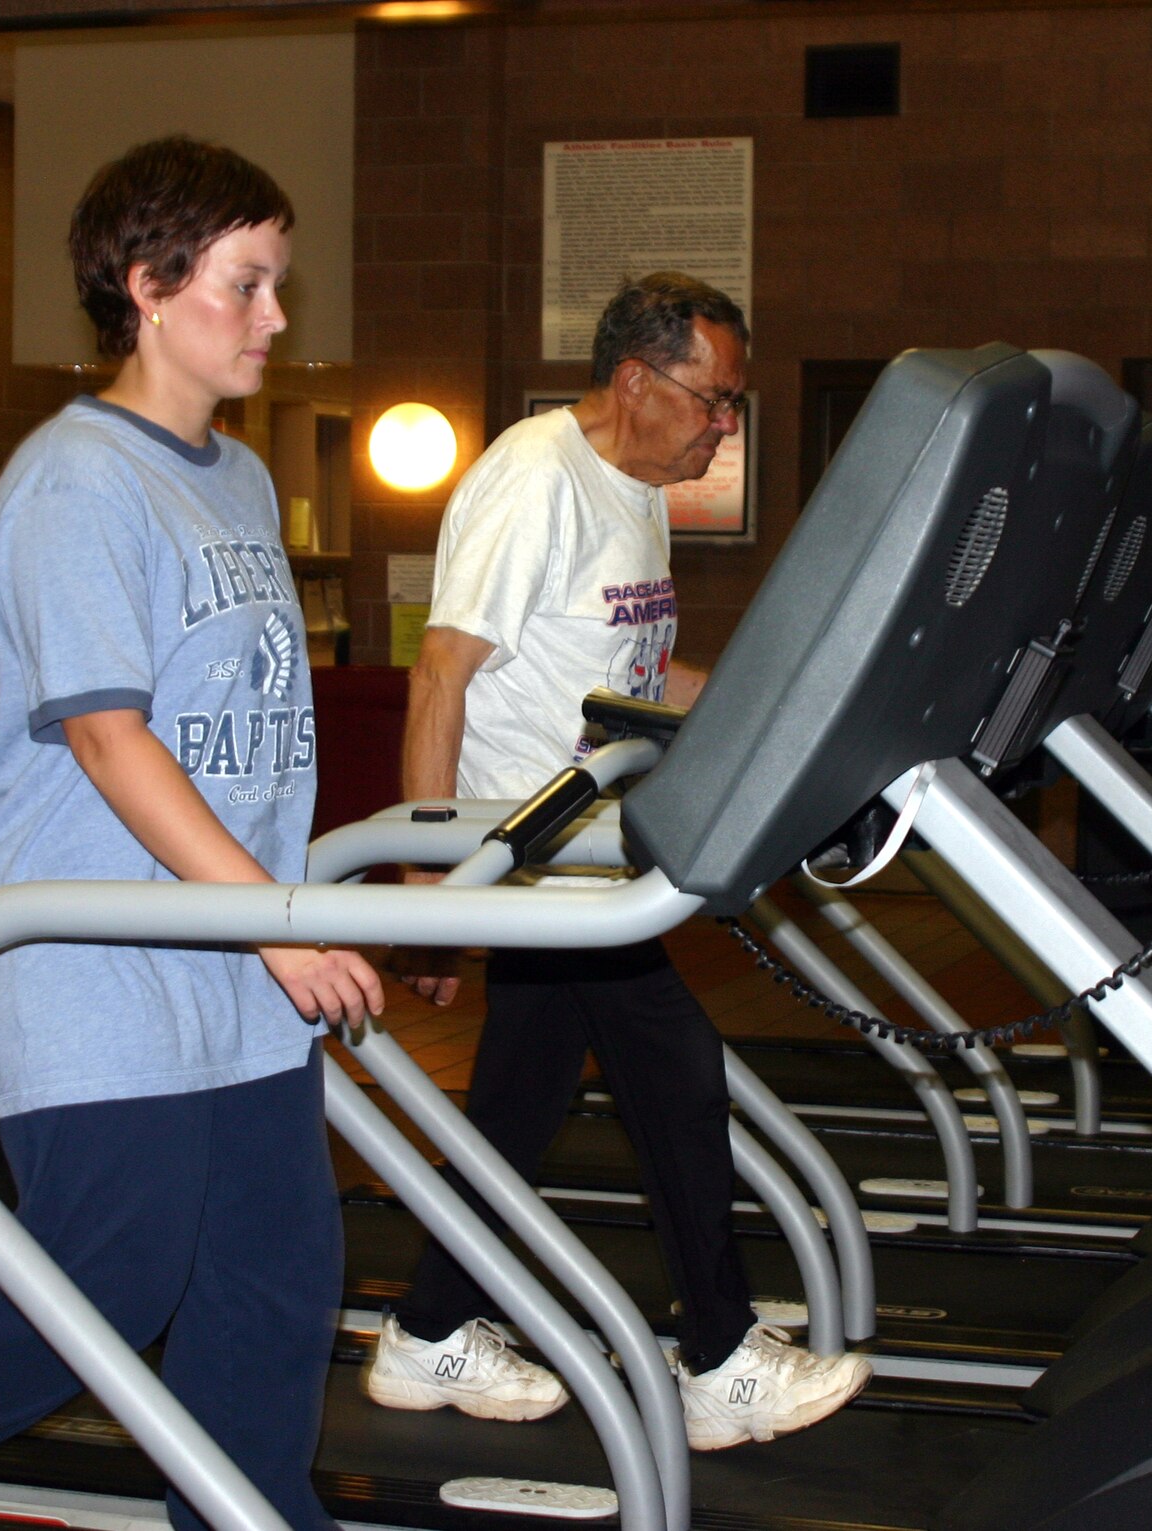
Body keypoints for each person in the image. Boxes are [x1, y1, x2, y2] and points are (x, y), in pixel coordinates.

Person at [0, 137, 384, 1531]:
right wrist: (283, 924)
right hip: (95, 946)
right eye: (249, 282)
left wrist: (275, 910)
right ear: (148, 285)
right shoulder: (74, 481)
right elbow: (113, 739)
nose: (278, 315)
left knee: (275, 1271)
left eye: (278, 281)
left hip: (224, 940)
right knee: (111, 1267)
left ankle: (249, 1513)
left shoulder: (227, 477)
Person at [363, 272, 871, 1451]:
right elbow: (440, 671)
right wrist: (432, 890)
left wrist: (773, 706)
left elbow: (630, 680)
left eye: (732, 403)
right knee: (675, 1069)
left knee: (519, 1102)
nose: (723, 425)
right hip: (533, 858)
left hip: (589, 852)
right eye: (714, 399)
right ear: (636, 381)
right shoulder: (535, 480)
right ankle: (719, 1352)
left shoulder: (637, 487)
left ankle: (429, 1327)